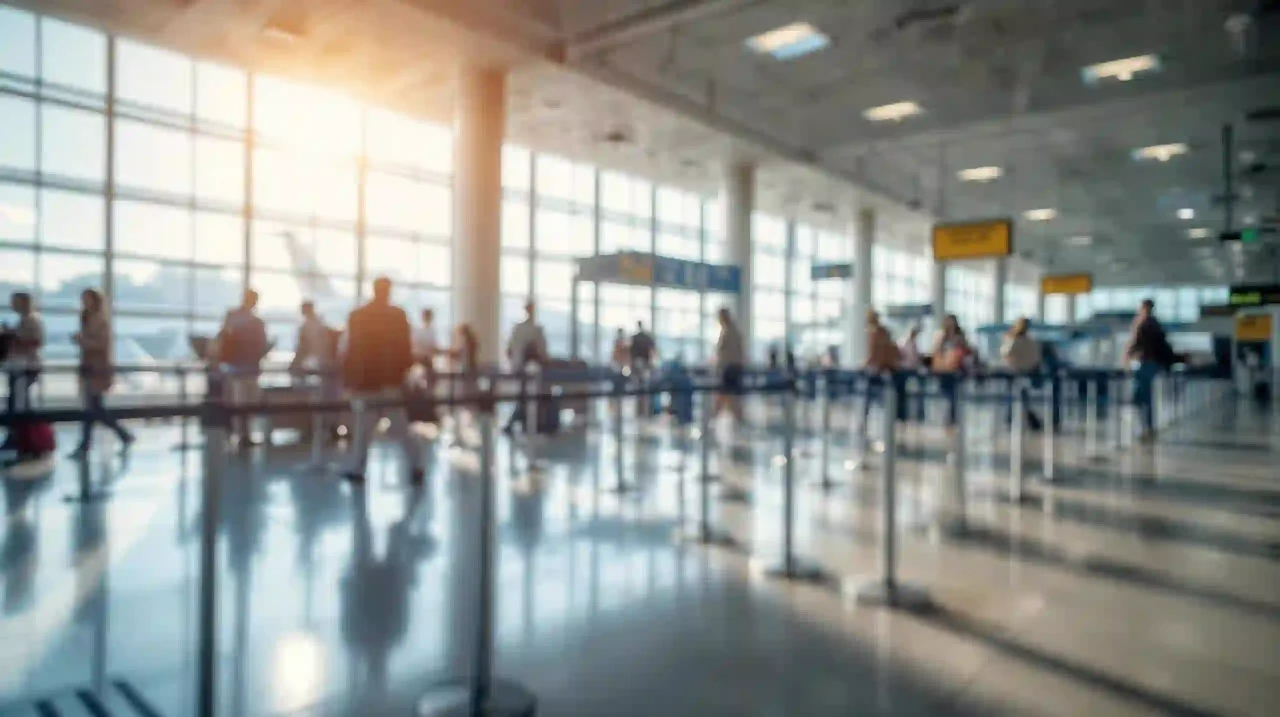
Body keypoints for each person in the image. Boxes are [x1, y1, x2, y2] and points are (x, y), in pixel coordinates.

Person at [341, 277, 421, 484]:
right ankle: (416, 464)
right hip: (390, 380)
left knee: (362, 428)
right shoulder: (397, 316)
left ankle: (358, 468)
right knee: (401, 426)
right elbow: (405, 350)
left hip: (367, 380)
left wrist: (349, 379)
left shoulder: (359, 316)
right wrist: (403, 374)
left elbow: (353, 350)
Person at [66, 289, 134, 459]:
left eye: (88, 299)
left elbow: (101, 344)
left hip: (97, 370)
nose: (85, 303)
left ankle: (88, 444)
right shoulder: (86, 319)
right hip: (89, 368)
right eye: (83, 299)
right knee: (94, 408)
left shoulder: (101, 321)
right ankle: (122, 435)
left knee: (92, 408)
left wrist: (82, 341)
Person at [216, 289, 268, 447]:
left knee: (240, 402)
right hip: (245, 367)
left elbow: (222, 338)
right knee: (244, 402)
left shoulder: (233, 317)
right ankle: (243, 434)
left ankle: (239, 434)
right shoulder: (256, 322)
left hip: (238, 367)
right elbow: (262, 344)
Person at [1, 292, 45, 453]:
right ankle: (22, 438)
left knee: (19, 405)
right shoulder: (24, 320)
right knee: (18, 403)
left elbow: (36, 342)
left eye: (15, 302)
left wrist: (12, 337)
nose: (12, 305)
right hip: (18, 367)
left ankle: (24, 439)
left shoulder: (32, 320)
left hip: (25, 368)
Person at [1125, 298, 1174, 442]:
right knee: (1145, 396)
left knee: (1142, 396)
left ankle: (1146, 426)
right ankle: (1147, 426)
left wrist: (1128, 356)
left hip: (1147, 363)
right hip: (1153, 364)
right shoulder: (1156, 324)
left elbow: (1137, 343)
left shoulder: (1144, 324)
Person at [504, 301, 547, 435]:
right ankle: (517, 423)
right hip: (526, 368)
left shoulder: (523, 329)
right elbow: (541, 351)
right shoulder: (533, 329)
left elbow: (510, 349)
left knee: (524, 397)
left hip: (524, 368)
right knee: (524, 397)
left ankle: (516, 424)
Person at [861, 310, 905, 430]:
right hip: (888, 370)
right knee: (885, 397)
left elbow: (872, 353)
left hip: (877, 370)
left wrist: (864, 365)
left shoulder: (873, 332)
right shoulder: (885, 332)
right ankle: (892, 421)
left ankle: (865, 421)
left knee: (869, 397)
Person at [1000, 317, 1044, 431]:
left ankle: (1010, 420)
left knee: (1013, 397)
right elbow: (1036, 359)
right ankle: (1026, 420)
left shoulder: (1014, 340)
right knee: (1022, 397)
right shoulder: (1030, 341)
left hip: (1017, 373)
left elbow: (1006, 354)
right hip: (1026, 372)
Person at [930, 314, 971, 428]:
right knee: (948, 395)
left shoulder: (960, 336)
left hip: (957, 369)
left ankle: (952, 419)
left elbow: (967, 349)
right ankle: (948, 419)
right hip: (944, 370)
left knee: (955, 395)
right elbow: (934, 351)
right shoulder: (941, 336)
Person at [713, 308, 745, 423]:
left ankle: (713, 420)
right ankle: (739, 421)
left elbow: (721, 351)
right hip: (736, 368)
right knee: (731, 397)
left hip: (729, 369)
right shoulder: (735, 331)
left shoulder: (727, 331)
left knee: (727, 396)